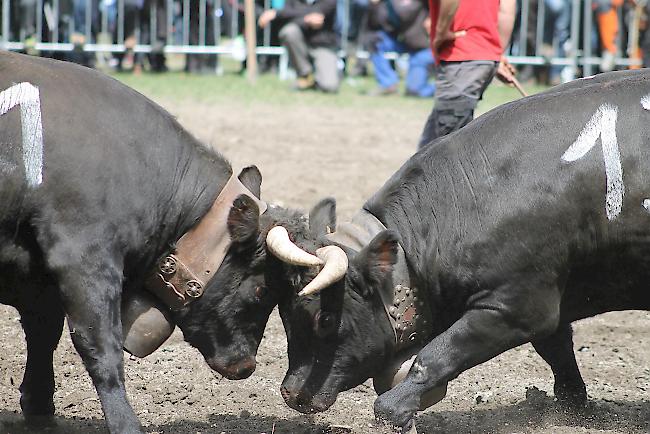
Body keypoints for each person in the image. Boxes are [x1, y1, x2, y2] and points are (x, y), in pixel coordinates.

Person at [418, 0, 517, 149]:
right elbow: (506, 10)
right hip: (482, 58)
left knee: (447, 148)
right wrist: (495, 52)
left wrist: (442, 31)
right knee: (430, 146)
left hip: (461, 56)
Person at [258, 0, 340, 92]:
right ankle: (305, 75)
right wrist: (305, 19)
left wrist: (277, 13)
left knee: (329, 86)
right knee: (288, 32)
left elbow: (288, 13)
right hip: (301, 42)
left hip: (323, 45)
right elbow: (286, 15)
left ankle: (316, 79)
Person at [366, 0, 436, 97]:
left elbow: (443, 5)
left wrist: (432, 17)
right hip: (403, 42)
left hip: (423, 46)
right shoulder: (387, 3)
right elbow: (377, 24)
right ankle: (388, 84)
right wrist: (374, 5)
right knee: (375, 41)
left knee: (414, 92)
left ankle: (446, 88)